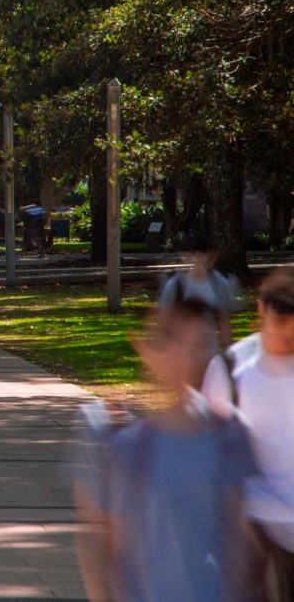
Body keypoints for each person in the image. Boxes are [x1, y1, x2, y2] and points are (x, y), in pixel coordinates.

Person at [72, 299, 258, 602]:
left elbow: (239, 539)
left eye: (203, 344)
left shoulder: (231, 437)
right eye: (183, 342)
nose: (194, 356)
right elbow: (105, 540)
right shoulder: (129, 447)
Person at [202, 269, 294, 598]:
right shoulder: (230, 370)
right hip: (251, 523)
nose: (286, 335)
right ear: (261, 311)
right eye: (279, 323)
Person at [158, 233, 241, 349]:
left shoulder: (219, 283)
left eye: (200, 255)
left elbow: (223, 319)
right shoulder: (175, 284)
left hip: (209, 348)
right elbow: (165, 318)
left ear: (210, 256)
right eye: (189, 256)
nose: (195, 260)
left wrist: (228, 350)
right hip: (181, 349)